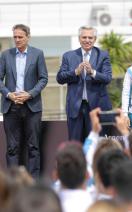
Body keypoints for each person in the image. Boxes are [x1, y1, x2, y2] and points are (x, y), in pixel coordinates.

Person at [0, 24, 48, 178]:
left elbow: (43, 78)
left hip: (31, 106)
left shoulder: (38, 54)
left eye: (20, 37)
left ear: (28, 37)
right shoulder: (6, 55)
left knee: (33, 147)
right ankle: (13, 182)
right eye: (15, 37)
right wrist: (8, 94)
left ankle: (33, 182)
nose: (17, 39)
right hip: (11, 106)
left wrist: (30, 94)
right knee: (12, 147)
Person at [56, 26, 112, 143]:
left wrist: (92, 72)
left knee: (95, 144)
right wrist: (75, 72)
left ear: (95, 39)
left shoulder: (103, 55)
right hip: (75, 107)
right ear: (79, 39)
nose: (87, 40)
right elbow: (60, 78)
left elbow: (107, 78)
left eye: (90, 37)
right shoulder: (69, 56)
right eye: (84, 37)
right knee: (75, 144)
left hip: (96, 108)